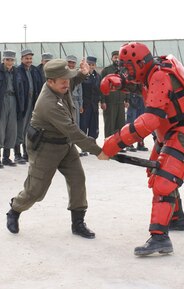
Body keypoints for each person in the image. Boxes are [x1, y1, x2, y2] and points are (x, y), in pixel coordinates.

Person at [100, 42, 184, 256]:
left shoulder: (160, 75)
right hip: (171, 128)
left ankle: (160, 237)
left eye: (128, 67)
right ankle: (177, 218)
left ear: (140, 63)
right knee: (159, 173)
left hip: (183, 129)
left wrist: (115, 141)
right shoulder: (153, 71)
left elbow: (150, 120)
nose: (126, 72)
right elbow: (141, 85)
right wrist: (120, 82)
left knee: (164, 181)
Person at [6, 59, 109, 239]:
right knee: (36, 191)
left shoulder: (62, 86)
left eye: (67, 79)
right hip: (45, 148)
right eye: (63, 81)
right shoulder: (49, 104)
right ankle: (15, 210)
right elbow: (74, 132)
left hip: (64, 144)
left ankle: (78, 223)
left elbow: (73, 80)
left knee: (78, 178)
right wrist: (98, 150)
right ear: (50, 81)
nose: (67, 83)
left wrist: (82, 74)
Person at [0, 50, 24, 168]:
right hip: (1, 102)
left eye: (12, 60)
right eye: (7, 59)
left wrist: (20, 106)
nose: (9, 62)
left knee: (11, 130)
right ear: (3, 60)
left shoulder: (17, 72)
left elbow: (20, 89)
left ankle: (6, 157)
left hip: (13, 101)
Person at [15, 49, 43, 164]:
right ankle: (17, 154)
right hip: (23, 104)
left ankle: (27, 153)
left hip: (33, 103)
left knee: (30, 129)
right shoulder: (17, 71)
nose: (29, 60)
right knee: (20, 129)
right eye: (26, 58)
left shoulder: (35, 70)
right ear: (22, 59)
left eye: (30, 58)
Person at [100, 50, 127, 139]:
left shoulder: (124, 70)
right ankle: (108, 145)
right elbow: (101, 86)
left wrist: (127, 99)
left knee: (121, 125)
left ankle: (118, 145)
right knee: (109, 125)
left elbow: (127, 85)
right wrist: (103, 101)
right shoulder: (106, 70)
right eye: (115, 57)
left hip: (121, 102)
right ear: (112, 58)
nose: (117, 59)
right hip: (110, 102)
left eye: (119, 57)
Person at [79, 56, 102, 156]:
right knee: (84, 125)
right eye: (89, 64)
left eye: (93, 65)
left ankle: (92, 145)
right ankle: (84, 146)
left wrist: (101, 101)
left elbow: (100, 90)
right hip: (85, 105)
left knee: (94, 126)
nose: (91, 66)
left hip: (94, 105)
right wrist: (81, 104)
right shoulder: (83, 75)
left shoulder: (97, 76)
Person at [66, 55, 85, 156]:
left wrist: (81, 104)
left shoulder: (77, 75)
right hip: (67, 101)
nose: (71, 64)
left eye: (73, 63)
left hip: (76, 102)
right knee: (67, 125)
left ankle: (73, 148)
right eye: (69, 62)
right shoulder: (63, 74)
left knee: (76, 125)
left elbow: (80, 91)